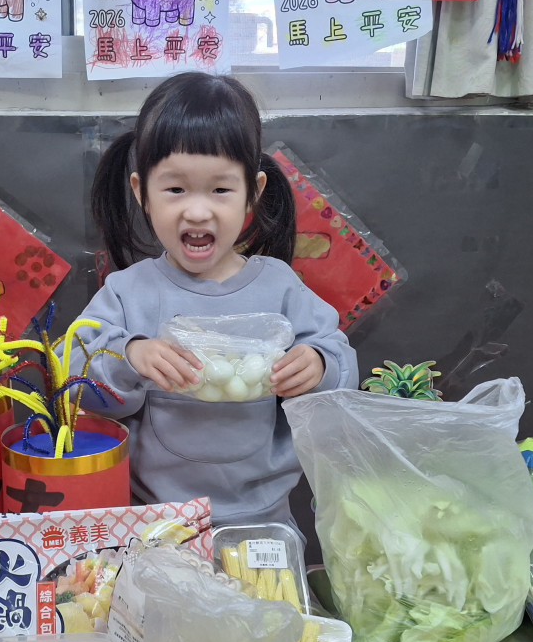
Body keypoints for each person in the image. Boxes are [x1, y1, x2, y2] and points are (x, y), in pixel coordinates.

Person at [73, 71, 358, 528]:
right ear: (142, 192)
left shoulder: (279, 287)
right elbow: (75, 376)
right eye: (175, 189)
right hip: (158, 518)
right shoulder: (129, 291)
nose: (198, 210)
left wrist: (319, 364)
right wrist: (130, 356)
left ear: (253, 193)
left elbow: (340, 365)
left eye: (221, 189)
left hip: (264, 519)